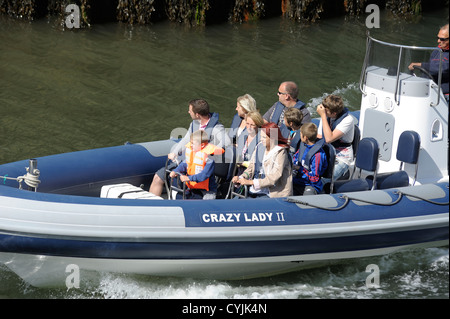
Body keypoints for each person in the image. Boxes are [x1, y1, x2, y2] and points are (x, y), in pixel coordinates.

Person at [149, 99, 230, 196]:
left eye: (190, 110)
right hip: (187, 162)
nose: (188, 112)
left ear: (197, 115)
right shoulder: (194, 124)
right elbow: (186, 140)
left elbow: (227, 142)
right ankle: (151, 207)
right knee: (158, 177)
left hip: (201, 167)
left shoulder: (216, 128)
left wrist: (209, 152)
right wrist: (175, 152)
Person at [231, 122, 293, 198]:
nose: (261, 139)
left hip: (272, 193)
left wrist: (251, 182)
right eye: (261, 136)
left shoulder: (280, 152)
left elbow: (274, 177)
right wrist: (241, 177)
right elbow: (251, 168)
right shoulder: (259, 147)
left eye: (264, 137)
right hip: (255, 189)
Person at [169, 130, 223, 200]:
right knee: (179, 197)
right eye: (190, 143)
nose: (190, 145)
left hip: (207, 190)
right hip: (192, 186)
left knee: (206, 202)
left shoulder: (210, 159)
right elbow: (184, 164)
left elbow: (203, 175)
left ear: (202, 145)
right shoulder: (192, 152)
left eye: (193, 143)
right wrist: (176, 171)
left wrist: (188, 178)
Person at [316, 95, 356, 181]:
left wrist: (323, 116)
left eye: (326, 111)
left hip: (342, 157)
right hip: (327, 152)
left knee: (321, 181)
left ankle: (344, 173)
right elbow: (319, 136)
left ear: (334, 113)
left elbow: (329, 139)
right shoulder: (326, 117)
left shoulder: (348, 120)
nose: (323, 112)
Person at [408, 24, 449, 102]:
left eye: (442, 39)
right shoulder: (438, 49)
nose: (438, 41)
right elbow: (431, 67)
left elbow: (442, 68)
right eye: (438, 38)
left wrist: (421, 65)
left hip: (444, 95)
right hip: (431, 90)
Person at [292, 122, 328, 195]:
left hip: (311, 185)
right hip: (298, 180)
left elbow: (315, 178)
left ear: (305, 137)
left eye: (301, 134)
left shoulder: (318, 155)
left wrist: (300, 169)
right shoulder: (303, 147)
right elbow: (295, 158)